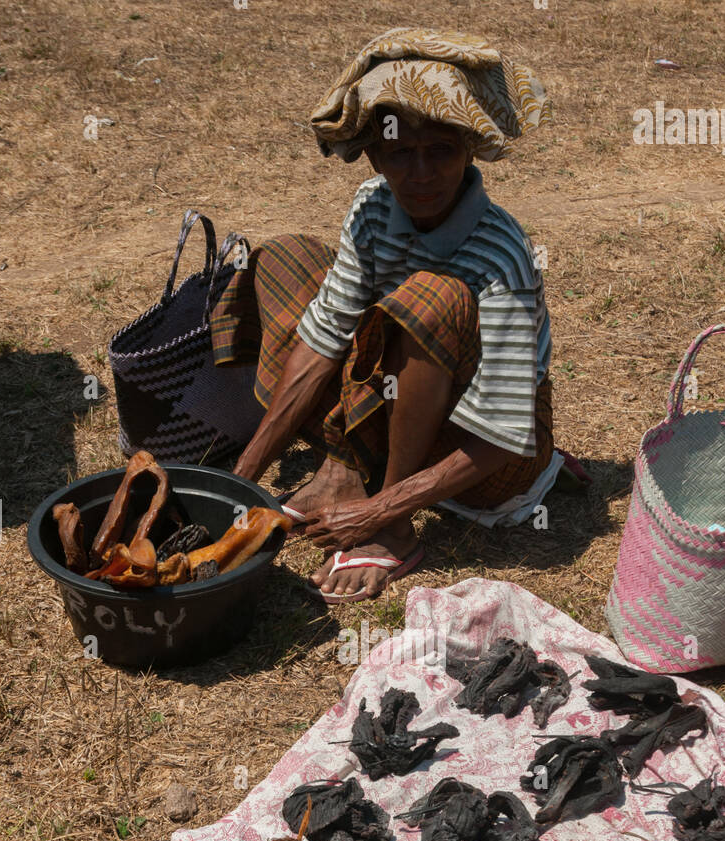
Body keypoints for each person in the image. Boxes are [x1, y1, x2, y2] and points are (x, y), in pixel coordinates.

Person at [211, 27, 554, 604]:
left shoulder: (501, 254)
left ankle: (392, 528)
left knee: (429, 299)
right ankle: (343, 466)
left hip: (488, 456)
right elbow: (324, 340)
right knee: (289, 257)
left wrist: (380, 511)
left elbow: (503, 436)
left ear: (469, 149)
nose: (420, 174)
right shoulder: (372, 206)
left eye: (441, 150)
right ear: (373, 153)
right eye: (400, 152)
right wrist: (236, 485)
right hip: (394, 402)